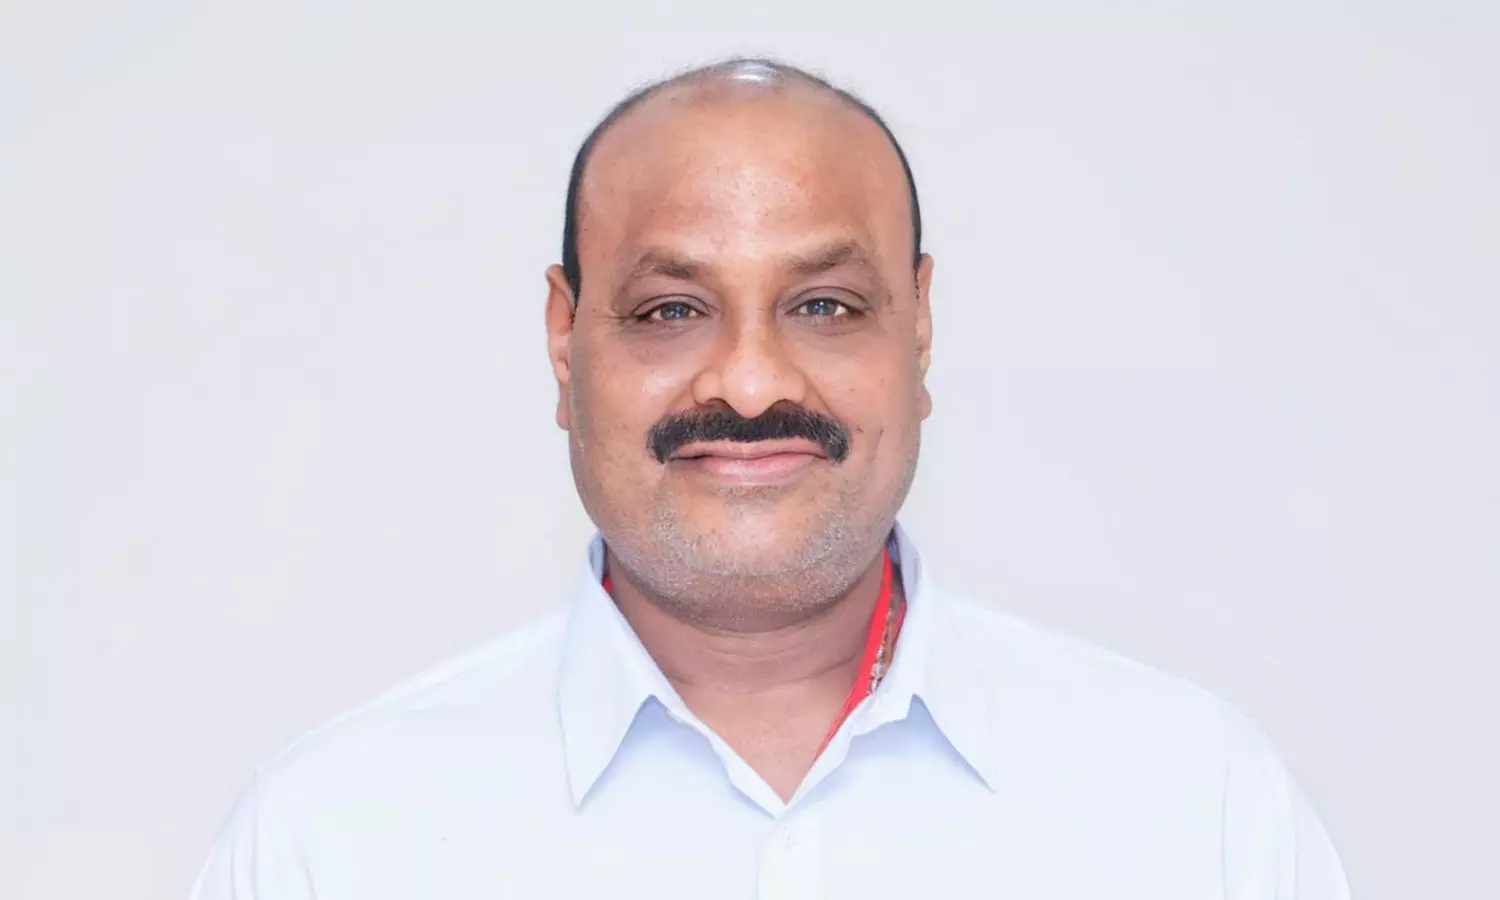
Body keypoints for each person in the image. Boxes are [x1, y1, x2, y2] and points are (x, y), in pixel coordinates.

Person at [191, 57, 1350, 899]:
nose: (749, 383)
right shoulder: (334, 841)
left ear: (919, 330)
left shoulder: (1196, 809)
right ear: (564, 341)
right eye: (670, 310)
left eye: (825, 306)